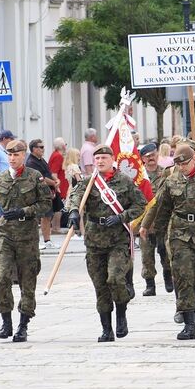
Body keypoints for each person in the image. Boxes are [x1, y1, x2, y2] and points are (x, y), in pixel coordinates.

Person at [144, 144, 195, 340]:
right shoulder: (171, 181)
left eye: (185, 163)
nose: (182, 167)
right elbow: (163, 209)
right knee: (183, 277)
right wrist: (159, 235)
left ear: (193, 160)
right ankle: (189, 324)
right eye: (179, 164)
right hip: (180, 234)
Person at [0, 140, 52, 342]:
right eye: (9, 155)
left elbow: (45, 204)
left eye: (16, 154)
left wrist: (24, 211)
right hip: (6, 235)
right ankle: (6, 322)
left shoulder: (35, 178)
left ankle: (23, 324)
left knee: (27, 281)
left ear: (24, 155)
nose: (12, 158)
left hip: (27, 236)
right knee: (2, 276)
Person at [67, 145, 146, 342]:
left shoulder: (124, 181)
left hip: (117, 239)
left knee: (115, 279)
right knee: (100, 286)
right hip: (94, 241)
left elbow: (140, 204)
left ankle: (121, 312)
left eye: (104, 158)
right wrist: (74, 211)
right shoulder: (89, 182)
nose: (100, 161)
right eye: (97, 158)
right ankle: (106, 329)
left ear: (112, 160)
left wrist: (122, 217)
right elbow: (75, 197)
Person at [139, 142, 173, 296]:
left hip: (162, 221)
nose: (151, 158)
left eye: (153, 155)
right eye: (147, 157)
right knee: (146, 255)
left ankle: (168, 278)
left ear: (157, 155)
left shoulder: (166, 174)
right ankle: (150, 285)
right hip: (144, 222)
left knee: (166, 252)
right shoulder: (139, 177)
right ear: (143, 159)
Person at [25, 139, 60, 250]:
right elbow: (41, 178)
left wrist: (56, 180)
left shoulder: (41, 159)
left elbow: (48, 172)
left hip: (47, 192)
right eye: (41, 147)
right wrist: (54, 183)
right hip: (38, 193)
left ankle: (47, 241)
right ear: (34, 149)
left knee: (47, 216)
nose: (43, 149)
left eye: (43, 147)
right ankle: (35, 241)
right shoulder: (31, 162)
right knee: (37, 217)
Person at [48, 137, 68, 232]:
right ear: (62, 146)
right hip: (60, 185)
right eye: (65, 144)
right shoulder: (58, 156)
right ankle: (56, 227)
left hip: (60, 184)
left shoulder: (55, 155)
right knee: (59, 207)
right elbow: (54, 173)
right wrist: (57, 186)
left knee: (58, 207)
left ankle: (55, 227)